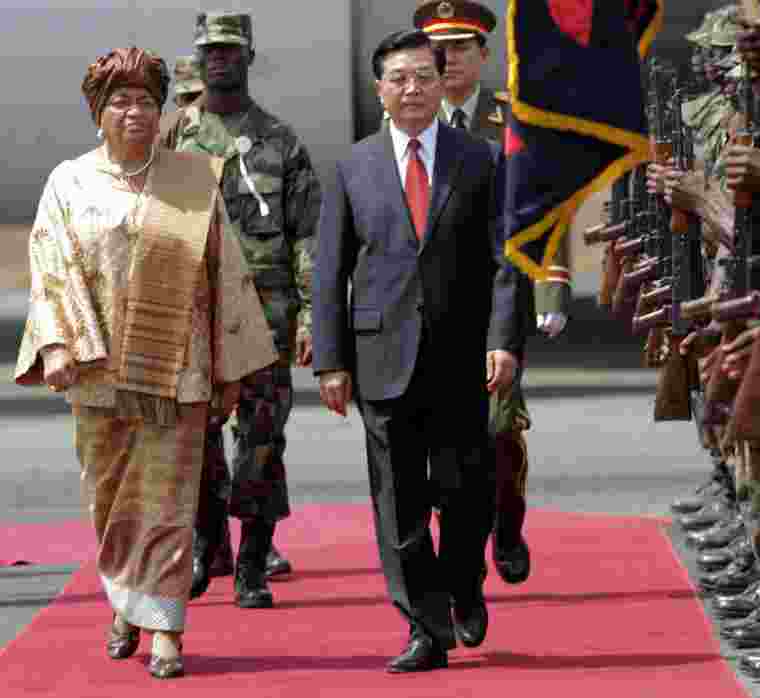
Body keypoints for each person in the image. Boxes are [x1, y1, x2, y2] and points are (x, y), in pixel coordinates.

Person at [13, 47, 277, 679]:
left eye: (146, 102)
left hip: (176, 370)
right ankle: (125, 602)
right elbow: (50, 267)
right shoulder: (68, 182)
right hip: (97, 371)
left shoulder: (190, 180)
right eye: (120, 102)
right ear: (98, 113)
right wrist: (56, 345)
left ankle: (165, 627)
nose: (134, 112)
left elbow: (226, 272)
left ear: (163, 113)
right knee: (110, 502)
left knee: (167, 501)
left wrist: (230, 368)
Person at [313, 29, 522, 673]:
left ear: (440, 83)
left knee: (466, 492)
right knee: (398, 502)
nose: (412, 89)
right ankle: (425, 628)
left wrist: (503, 341)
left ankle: (463, 587)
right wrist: (331, 361)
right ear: (379, 89)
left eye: (424, 77)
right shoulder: (353, 166)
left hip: (463, 357)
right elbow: (330, 271)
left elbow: (506, 261)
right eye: (399, 79)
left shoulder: (480, 159)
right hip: (382, 356)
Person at [161, 11, 322, 608]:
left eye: (230, 49)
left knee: (261, 440)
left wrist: (311, 316)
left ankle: (253, 560)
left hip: (266, 316)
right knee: (197, 440)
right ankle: (208, 546)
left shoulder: (281, 140)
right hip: (196, 317)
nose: (220, 58)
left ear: (249, 56)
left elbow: (308, 236)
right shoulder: (175, 139)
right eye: (210, 49)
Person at [413, 0, 571, 584]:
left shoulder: (513, 119)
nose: (448, 59)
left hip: (498, 296)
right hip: (431, 303)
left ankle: (507, 523)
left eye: (460, 47)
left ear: (484, 54)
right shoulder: (408, 121)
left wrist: (551, 287)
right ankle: (461, 545)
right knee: (439, 436)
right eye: (438, 49)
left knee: (498, 429)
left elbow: (543, 209)